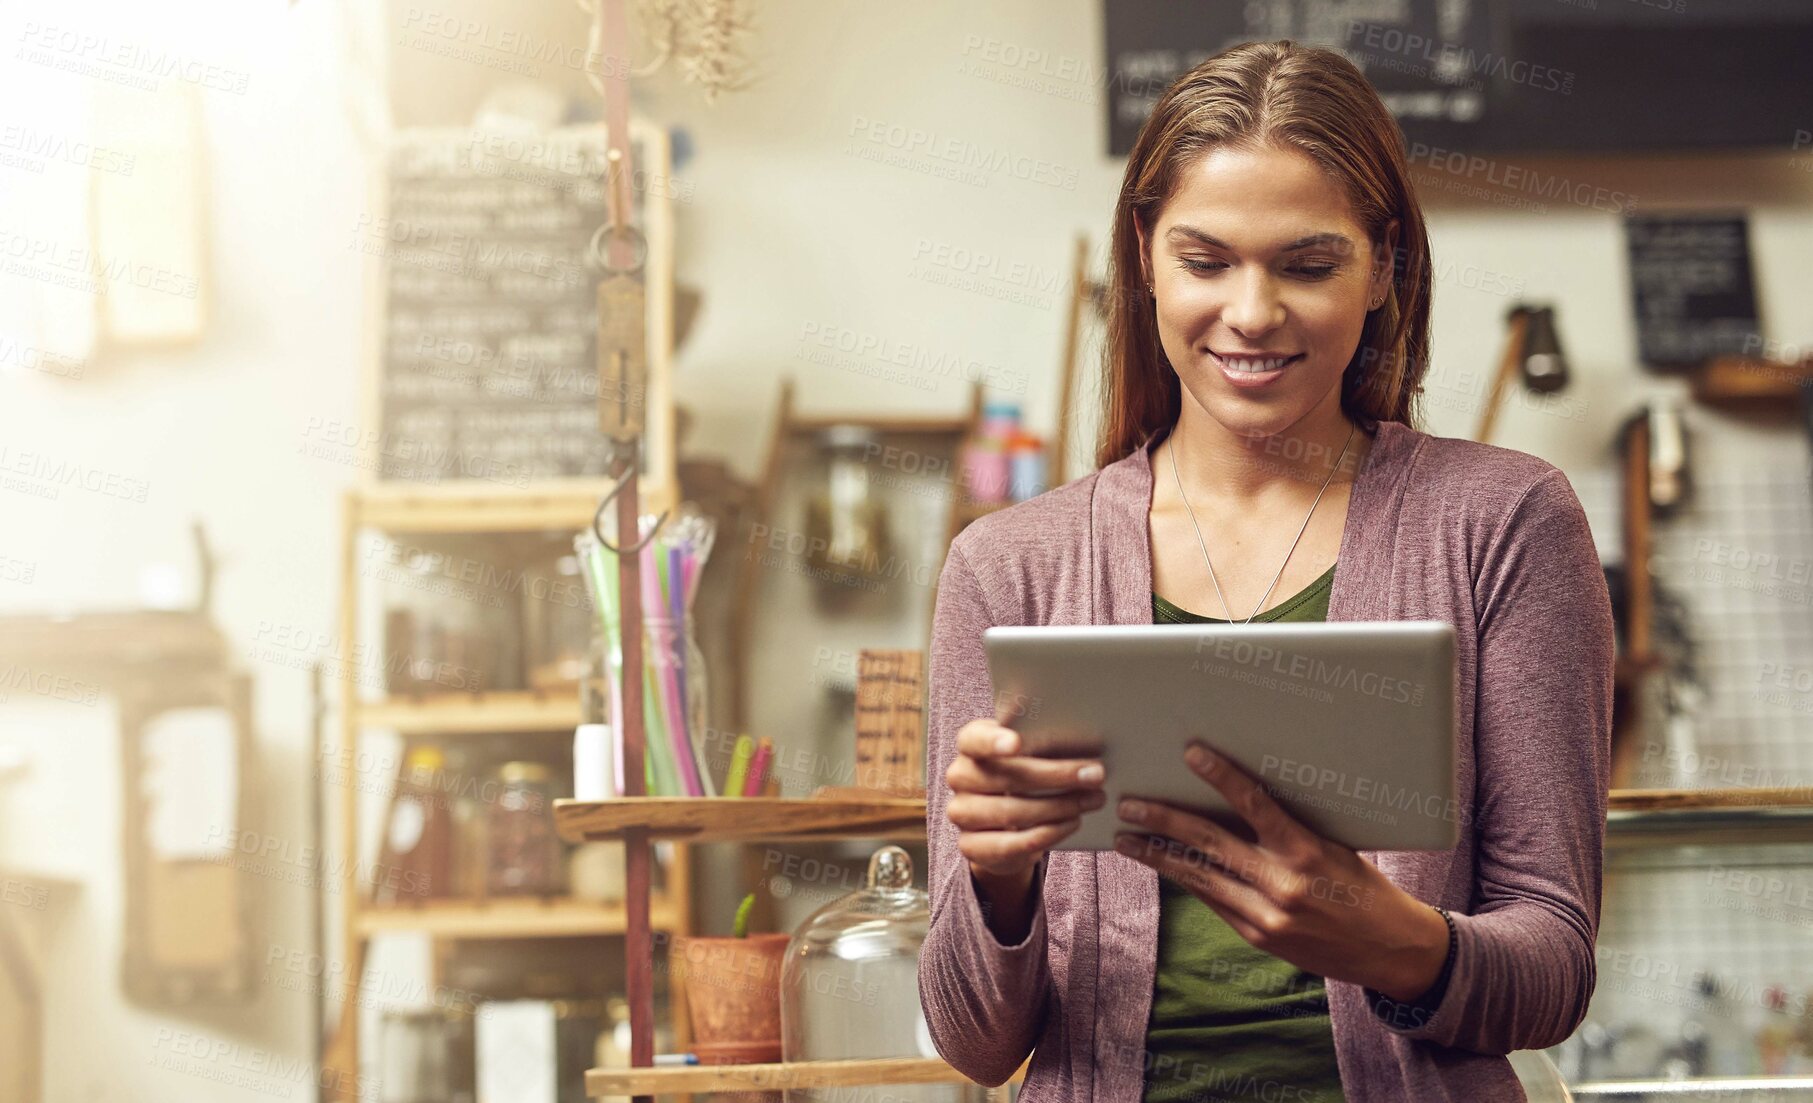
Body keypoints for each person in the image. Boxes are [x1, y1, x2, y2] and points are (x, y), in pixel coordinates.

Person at [918, 39, 1614, 1103]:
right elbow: (975, 1043)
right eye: (1206, 261)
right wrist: (1000, 879)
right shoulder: (1006, 566)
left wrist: (1398, 944)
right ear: (1145, 254)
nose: (1251, 313)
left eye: (1306, 263)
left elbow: (1553, 967)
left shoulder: (1504, 522)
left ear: (1382, 266)